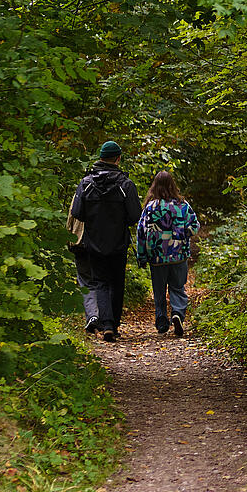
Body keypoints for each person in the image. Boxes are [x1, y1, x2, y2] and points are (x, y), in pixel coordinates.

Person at [70, 141, 140, 342]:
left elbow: (77, 213)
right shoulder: (126, 185)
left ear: (100, 158)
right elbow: (135, 216)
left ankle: (106, 324)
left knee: (100, 282)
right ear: (118, 159)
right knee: (117, 282)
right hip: (118, 242)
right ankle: (113, 325)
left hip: (94, 242)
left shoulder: (86, 183)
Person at [135, 170, 201, 337]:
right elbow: (195, 226)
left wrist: (141, 256)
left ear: (154, 187)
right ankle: (177, 313)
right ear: (173, 185)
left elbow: (141, 233)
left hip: (156, 256)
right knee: (177, 287)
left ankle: (162, 320)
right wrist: (181, 234)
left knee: (158, 290)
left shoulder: (150, 208)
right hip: (178, 254)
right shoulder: (183, 205)